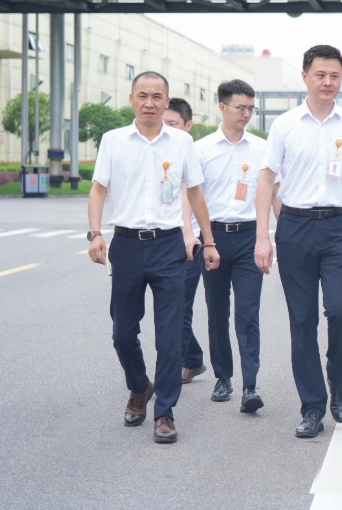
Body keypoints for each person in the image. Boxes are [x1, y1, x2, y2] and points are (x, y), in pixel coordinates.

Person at [87, 71, 221, 444]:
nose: (150, 103)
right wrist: (96, 233)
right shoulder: (113, 140)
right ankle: (138, 386)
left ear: (166, 101)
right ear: (131, 99)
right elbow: (98, 190)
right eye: (143, 95)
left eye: (157, 96)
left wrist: (209, 241)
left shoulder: (181, 142)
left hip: (168, 246)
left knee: (170, 335)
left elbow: (195, 193)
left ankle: (165, 412)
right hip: (127, 245)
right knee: (122, 332)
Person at [254, 45, 342, 439]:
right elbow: (266, 180)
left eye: (335, 76)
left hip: (340, 226)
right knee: (303, 320)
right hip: (295, 228)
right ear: (305, 76)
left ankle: (337, 379)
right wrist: (263, 236)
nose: (328, 82)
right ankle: (311, 406)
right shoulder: (285, 124)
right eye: (320, 75)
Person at [195, 79, 268, 412]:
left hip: (249, 238)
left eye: (251, 108)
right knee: (217, 311)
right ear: (222, 107)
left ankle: (250, 386)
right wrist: (198, 238)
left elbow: (273, 194)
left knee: (248, 314)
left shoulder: (262, 149)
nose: (246, 114)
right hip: (213, 239)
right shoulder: (201, 149)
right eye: (241, 107)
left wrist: (274, 236)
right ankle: (223, 377)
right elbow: (192, 197)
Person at [163, 98, 208, 387]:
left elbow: (192, 194)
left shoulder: (193, 152)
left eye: (173, 124)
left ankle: (177, 366)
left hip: (189, 239)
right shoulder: (157, 150)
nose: (166, 129)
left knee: (179, 305)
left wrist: (190, 233)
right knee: (171, 305)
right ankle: (192, 357)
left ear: (188, 125)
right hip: (162, 238)